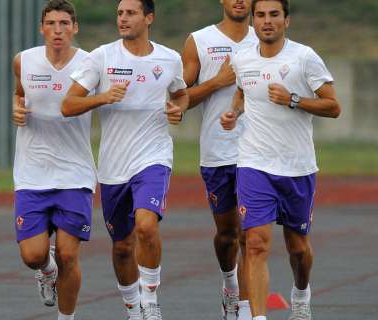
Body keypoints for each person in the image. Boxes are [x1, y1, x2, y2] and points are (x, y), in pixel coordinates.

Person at [62, 0, 188, 318]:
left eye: (130, 13)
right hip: (113, 165)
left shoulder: (169, 59)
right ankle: (133, 308)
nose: (123, 18)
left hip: (153, 156)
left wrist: (179, 108)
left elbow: (181, 93)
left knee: (146, 226)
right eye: (119, 13)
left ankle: (151, 299)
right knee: (121, 246)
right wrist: (102, 97)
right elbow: (68, 104)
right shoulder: (102, 57)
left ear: (149, 18)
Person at [220, 0, 341, 319]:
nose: (266, 21)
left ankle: (301, 296)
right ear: (253, 21)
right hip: (253, 163)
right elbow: (242, 92)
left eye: (274, 15)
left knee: (298, 250)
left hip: (297, 167)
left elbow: (333, 106)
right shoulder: (242, 59)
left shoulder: (304, 58)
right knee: (256, 243)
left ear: (286, 20)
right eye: (260, 15)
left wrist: (293, 100)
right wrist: (234, 112)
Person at [11, 1, 96, 320]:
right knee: (33, 255)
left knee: (68, 254)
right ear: (41, 28)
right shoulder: (24, 61)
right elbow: (19, 93)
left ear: (74, 28)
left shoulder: (91, 63)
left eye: (64, 23)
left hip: (75, 173)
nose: (57, 30)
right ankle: (45, 271)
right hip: (32, 173)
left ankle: (66, 317)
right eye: (51, 23)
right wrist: (17, 108)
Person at [181, 0, 257, 318]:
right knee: (227, 235)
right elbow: (179, 99)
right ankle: (229, 285)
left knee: (250, 236)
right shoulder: (199, 40)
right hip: (217, 152)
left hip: (257, 153)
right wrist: (217, 82)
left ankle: (246, 309)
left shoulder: (265, 39)